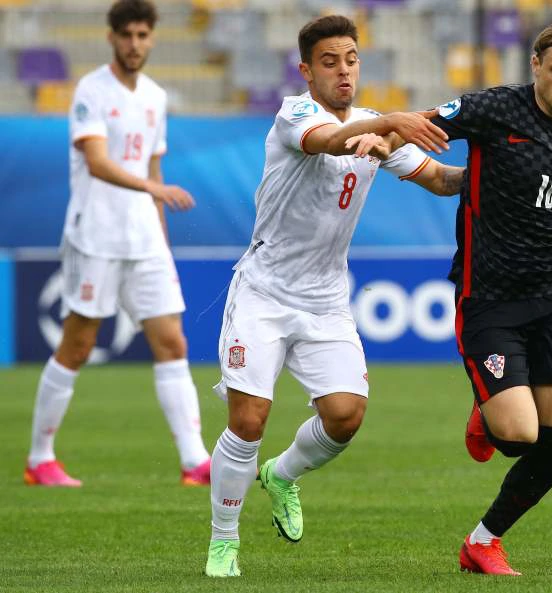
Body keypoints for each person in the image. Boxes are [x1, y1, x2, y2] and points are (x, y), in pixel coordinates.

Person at [203, 14, 462, 578]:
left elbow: (443, 181)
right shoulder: (294, 115)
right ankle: (224, 543)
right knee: (249, 420)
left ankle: (282, 475)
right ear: (306, 70)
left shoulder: (374, 128)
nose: (343, 71)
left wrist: (505, 171)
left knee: (345, 417)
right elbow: (323, 140)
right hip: (264, 293)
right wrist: (391, 123)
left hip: (325, 301)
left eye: (350, 60)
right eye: (329, 62)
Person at [427, 21, 552, 576]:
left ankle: (483, 541)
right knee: (517, 436)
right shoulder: (495, 110)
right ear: (535, 64)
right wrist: (381, 138)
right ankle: (489, 404)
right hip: (489, 297)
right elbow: (425, 124)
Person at [24, 0, 214, 488]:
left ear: (152, 39)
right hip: (97, 236)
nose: (134, 44)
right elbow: (97, 161)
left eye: (142, 35)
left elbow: (154, 169)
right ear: (111, 38)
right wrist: (153, 189)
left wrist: (163, 241)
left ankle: (194, 461)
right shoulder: (91, 90)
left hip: (145, 240)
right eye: (126, 35)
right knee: (78, 344)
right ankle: (40, 459)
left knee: (172, 341)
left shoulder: (155, 96)